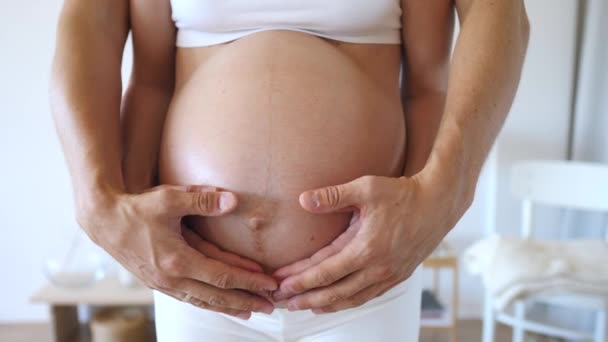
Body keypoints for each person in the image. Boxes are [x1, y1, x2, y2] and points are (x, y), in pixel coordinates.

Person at [50, 0, 529, 340]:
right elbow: (147, 80)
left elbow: (429, 85)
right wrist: (110, 205)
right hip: (198, 279)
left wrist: (439, 196)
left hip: (363, 281)